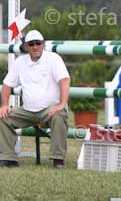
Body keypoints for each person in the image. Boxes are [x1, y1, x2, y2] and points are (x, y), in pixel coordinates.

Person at [0, 30, 70, 169]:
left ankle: (58, 159)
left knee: (59, 115)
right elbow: (7, 84)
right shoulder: (20, 61)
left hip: (50, 109)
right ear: (26, 46)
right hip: (27, 110)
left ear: (43, 44)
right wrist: (4, 105)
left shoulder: (54, 58)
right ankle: (8, 158)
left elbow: (65, 80)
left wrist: (61, 104)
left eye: (38, 43)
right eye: (31, 44)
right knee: (3, 117)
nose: (35, 46)